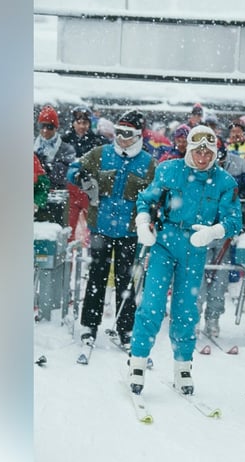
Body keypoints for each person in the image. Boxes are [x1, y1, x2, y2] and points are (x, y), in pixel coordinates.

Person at [128, 125, 243, 395]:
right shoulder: (169, 170)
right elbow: (146, 199)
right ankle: (137, 361)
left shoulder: (225, 182)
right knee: (152, 304)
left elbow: (234, 219)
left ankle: (183, 365)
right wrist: (143, 222)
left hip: (196, 246)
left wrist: (215, 231)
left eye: (209, 152)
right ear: (189, 148)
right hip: (165, 243)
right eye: (198, 151)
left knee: (186, 310)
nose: (203, 157)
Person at [67, 110, 157, 349]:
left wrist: (155, 210)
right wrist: (81, 176)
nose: (121, 138)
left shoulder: (148, 163)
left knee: (126, 281)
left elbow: (158, 192)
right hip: (101, 228)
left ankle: (126, 328)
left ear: (138, 135)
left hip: (130, 232)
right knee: (96, 277)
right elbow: (72, 169)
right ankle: (89, 324)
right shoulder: (101, 154)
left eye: (128, 133)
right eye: (118, 132)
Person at [62, 105, 110, 240]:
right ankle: (67, 259)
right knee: (67, 228)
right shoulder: (64, 140)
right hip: (70, 187)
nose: (82, 126)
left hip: (90, 188)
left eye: (85, 123)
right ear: (73, 123)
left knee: (93, 228)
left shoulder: (98, 141)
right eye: (79, 122)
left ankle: (93, 256)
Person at [34, 105, 76, 189]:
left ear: (55, 128)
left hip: (57, 193)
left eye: (49, 127)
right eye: (42, 126)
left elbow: (65, 175)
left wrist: (47, 167)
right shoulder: (31, 144)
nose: (45, 130)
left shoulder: (67, 149)